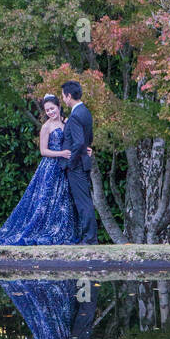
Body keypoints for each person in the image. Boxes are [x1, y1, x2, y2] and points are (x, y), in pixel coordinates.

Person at [0, 95, 79, 246]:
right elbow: (43, 151)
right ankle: (45, 231)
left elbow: (76, 140)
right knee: (45, 201)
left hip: (66, 167)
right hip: (50, 167)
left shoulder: (67, 122)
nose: (50, 112)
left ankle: (62, 231)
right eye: (47, 110)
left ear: (59, 106)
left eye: (52, 108)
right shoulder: (46, 127)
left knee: (63, 201)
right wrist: (61, 154)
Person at [59, 80, 98, 243]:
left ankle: (89, 239)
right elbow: (88, 138)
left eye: (63, 96)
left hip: (77, 165)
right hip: (83, 161)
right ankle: (88, 237)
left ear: (69, 96)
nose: (63, 100)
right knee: (84, 201)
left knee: (83, 203)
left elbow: (79, 142)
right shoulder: (85, 112)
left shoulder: (75, 115)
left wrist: (70, 162)